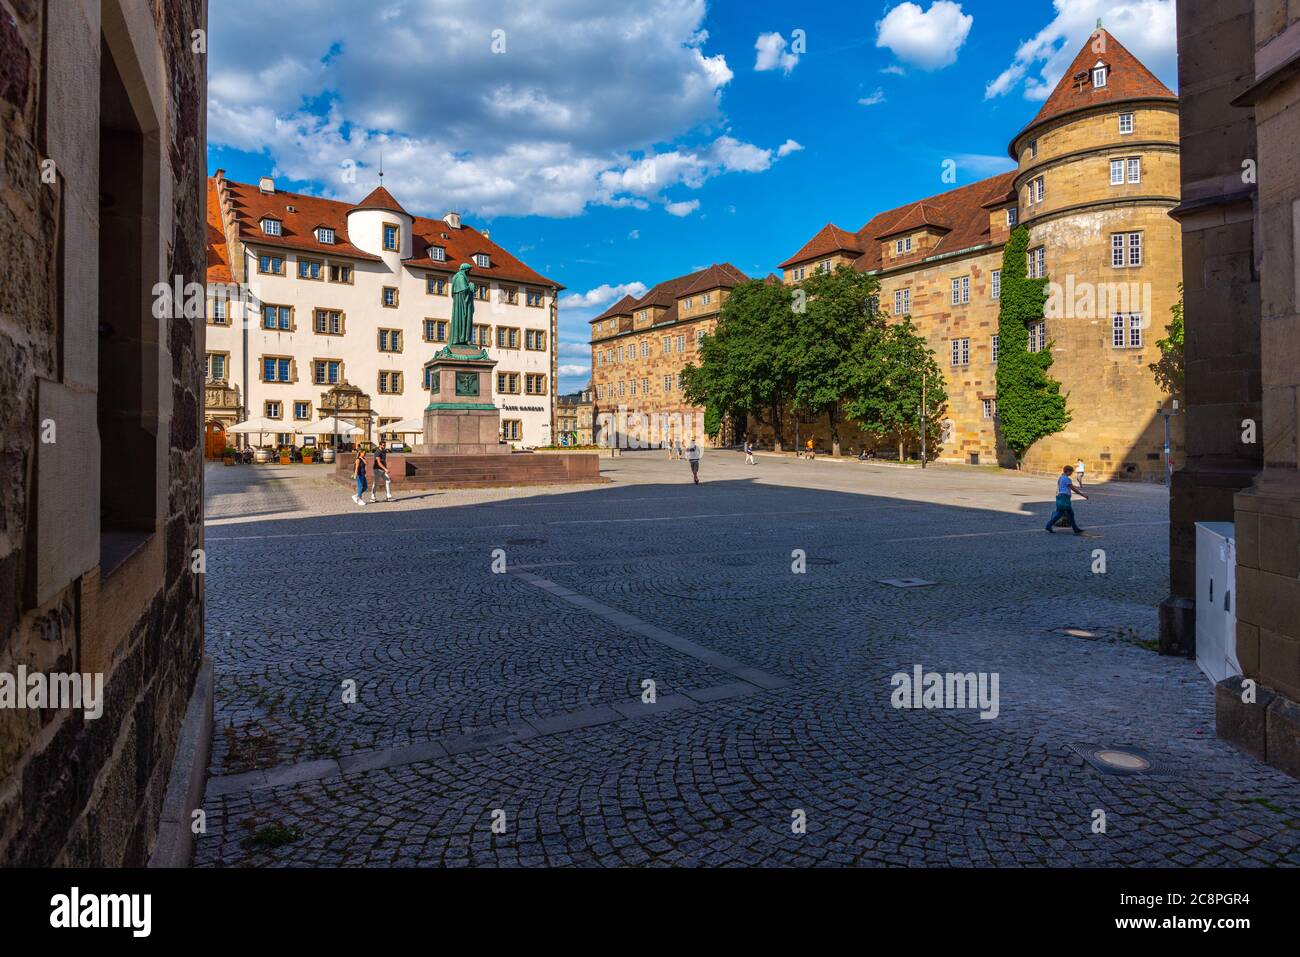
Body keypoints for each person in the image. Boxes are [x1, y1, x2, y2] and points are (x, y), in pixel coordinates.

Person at [1045, 465, 1087, 534]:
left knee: (1061, 513)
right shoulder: (1067, 479)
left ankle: (1049, 525)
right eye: (1071, 472)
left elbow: (1058, 487)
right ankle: (1075, 529)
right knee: (1070, 513)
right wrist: (1083, 495)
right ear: (1067, 471)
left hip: (1059, 497)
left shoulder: (1061, 478)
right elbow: (1073, 488)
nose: (1071, 474)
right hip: (1065, 498)